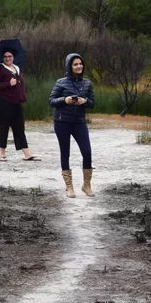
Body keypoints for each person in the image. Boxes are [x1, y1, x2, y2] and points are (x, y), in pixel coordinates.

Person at [48, 53, 95, 198]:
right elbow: (51, 101)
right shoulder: (61, 82)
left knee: (87, 152)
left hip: (79, 121)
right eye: (75, 64)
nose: (79, 66)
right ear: (69, 66)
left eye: (80, 64)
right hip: (62, 121)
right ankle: (69, 187)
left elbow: (92, 104)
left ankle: (86, 185)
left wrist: (85, 101)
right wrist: (65, 100)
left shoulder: (87, 83)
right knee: (65, 153)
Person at [0, 49, 39, 162]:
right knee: (3, 127)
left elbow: (20, 85)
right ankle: (2, 154)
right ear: (2, 58)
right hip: (3, 102)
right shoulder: (0, 68)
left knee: (19, 127)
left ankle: (27, 154)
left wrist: (22, 96)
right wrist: (8, 83)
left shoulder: (17, 68)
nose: (7, 58)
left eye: (10, 56)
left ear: (13, 57)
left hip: (16, 102)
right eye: (5, 56)